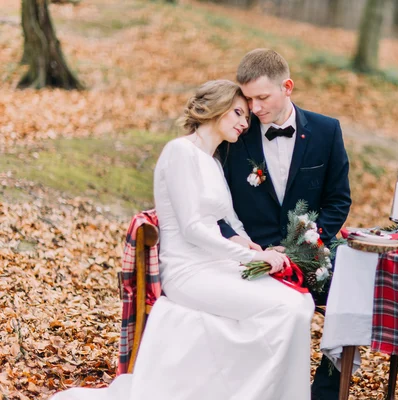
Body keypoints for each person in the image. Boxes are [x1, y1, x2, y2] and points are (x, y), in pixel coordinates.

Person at [50, 80, 315, 400]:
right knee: (286, 307)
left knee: (301, 302)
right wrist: (248, 259)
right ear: (215, 106)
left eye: (246, 117)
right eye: (238, 113)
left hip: (217, 264)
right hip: (188, 272)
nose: (245, 124)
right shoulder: (179, 152)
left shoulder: (213, 160)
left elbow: (230, 220)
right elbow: (192, 229)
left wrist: (255, 246)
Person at [217, 49, 352, 400]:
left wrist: (305, 246)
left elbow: (339, 201)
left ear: (287, 87)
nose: (254, 108)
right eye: (248, 99)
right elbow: (220, 205)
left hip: (310, 249)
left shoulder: (326, 131)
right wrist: (252, 248)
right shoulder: (235, 137)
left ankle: (326, 388)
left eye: (262, 97)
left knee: (353, 287)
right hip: (253, 252)